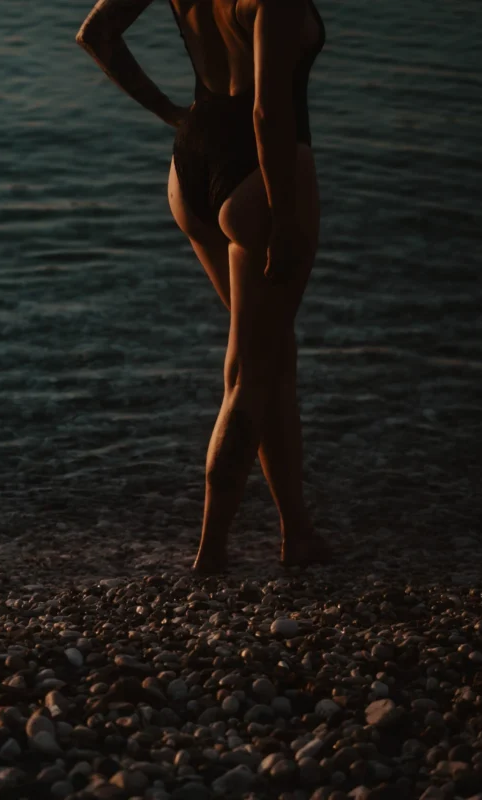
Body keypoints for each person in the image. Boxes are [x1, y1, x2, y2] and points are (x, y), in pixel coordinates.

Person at [76, 0, 333, 573]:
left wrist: (171, 111)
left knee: (270, 355)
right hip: (258, 178)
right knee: (252, 371)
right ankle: (211, 553)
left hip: (191, 161)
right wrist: (286, 218)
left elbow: (97, 34)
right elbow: (269, 112)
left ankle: (298, 533)